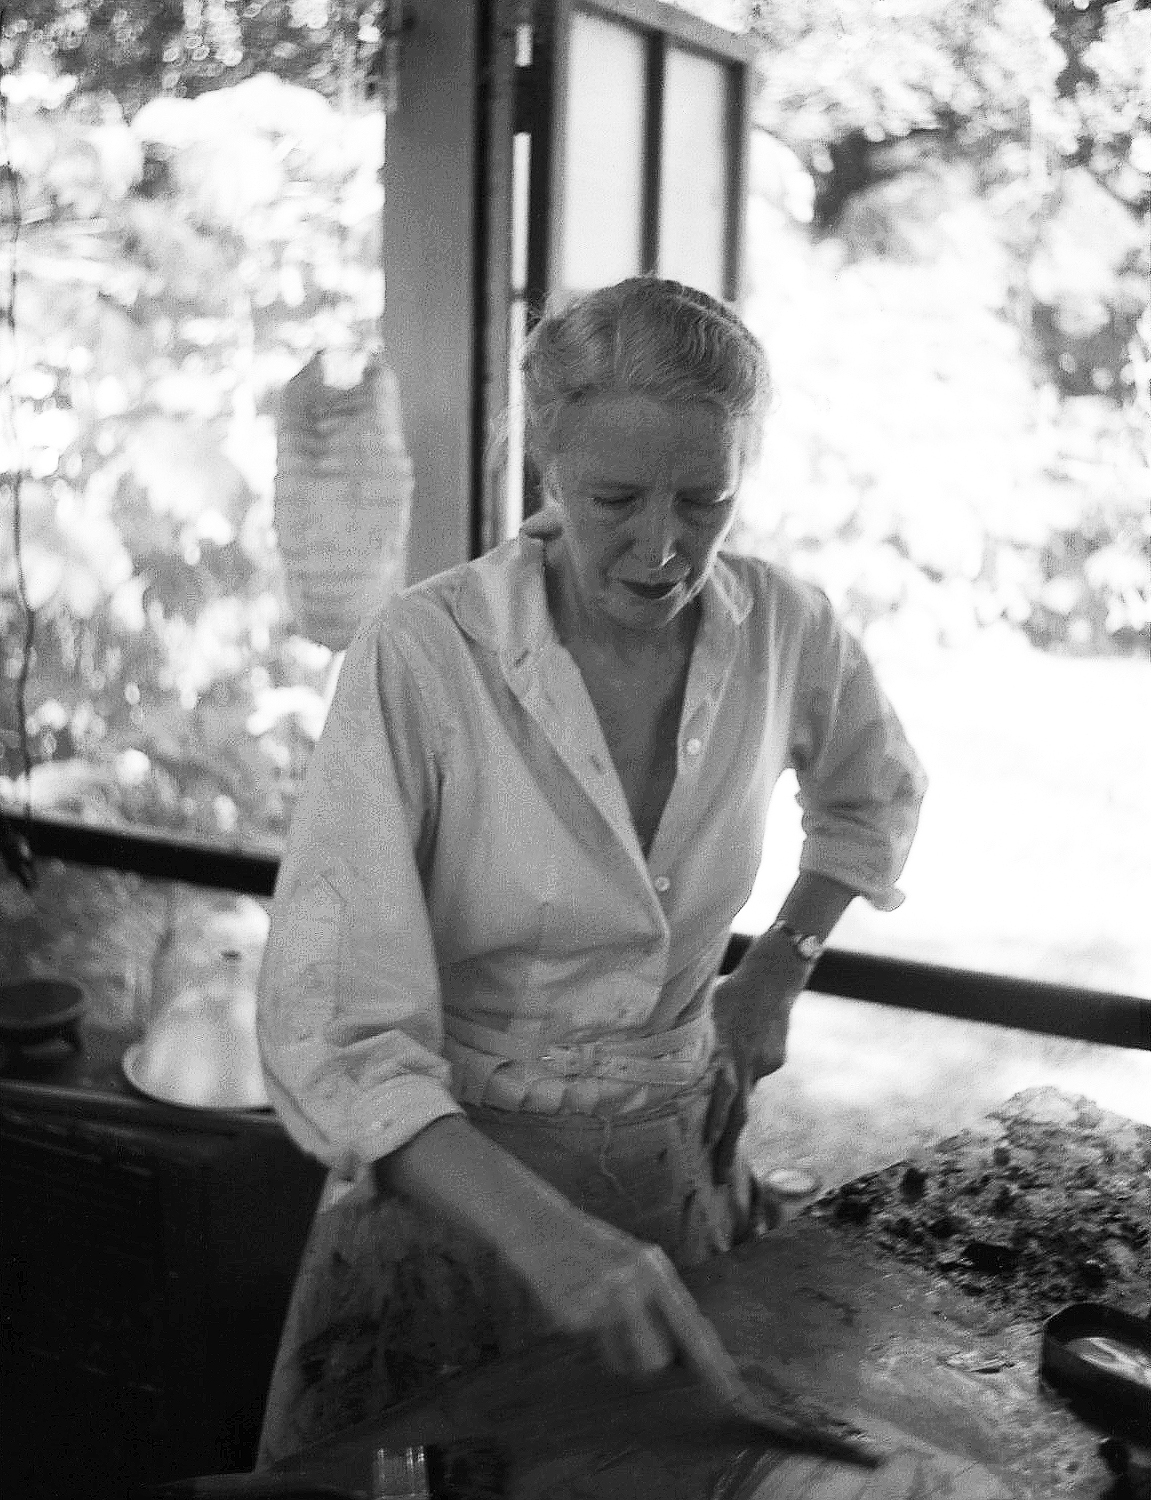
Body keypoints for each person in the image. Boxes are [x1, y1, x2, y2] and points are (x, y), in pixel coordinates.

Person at [254, 276, 927, 1465]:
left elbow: (869, 794)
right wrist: (549, 1240)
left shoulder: (783, 632)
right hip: (449, 1200)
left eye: (703, 500)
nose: (662, 546)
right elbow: (337, 1029)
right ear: (548, 470)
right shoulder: (424, 657)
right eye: (615, 497)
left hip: (673, 1169)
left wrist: (782, 960)